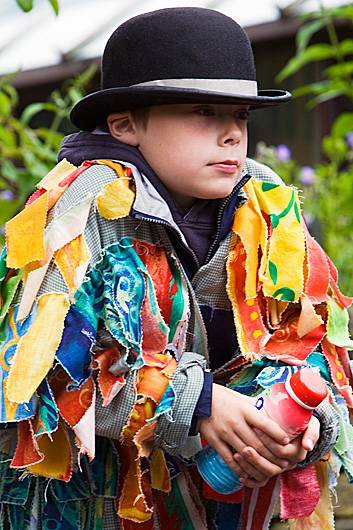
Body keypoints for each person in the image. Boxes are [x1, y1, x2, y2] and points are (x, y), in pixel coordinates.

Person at [0, 7, 351, 530]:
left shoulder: (267, 204)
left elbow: (323, 347)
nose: (232, 133)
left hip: (224, 507)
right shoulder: (83, 209)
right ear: (125, 124)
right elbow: (41, 376)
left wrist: (303, 424)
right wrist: (200, 402)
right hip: (94, 509)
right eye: (204, 112)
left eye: (242, 116)